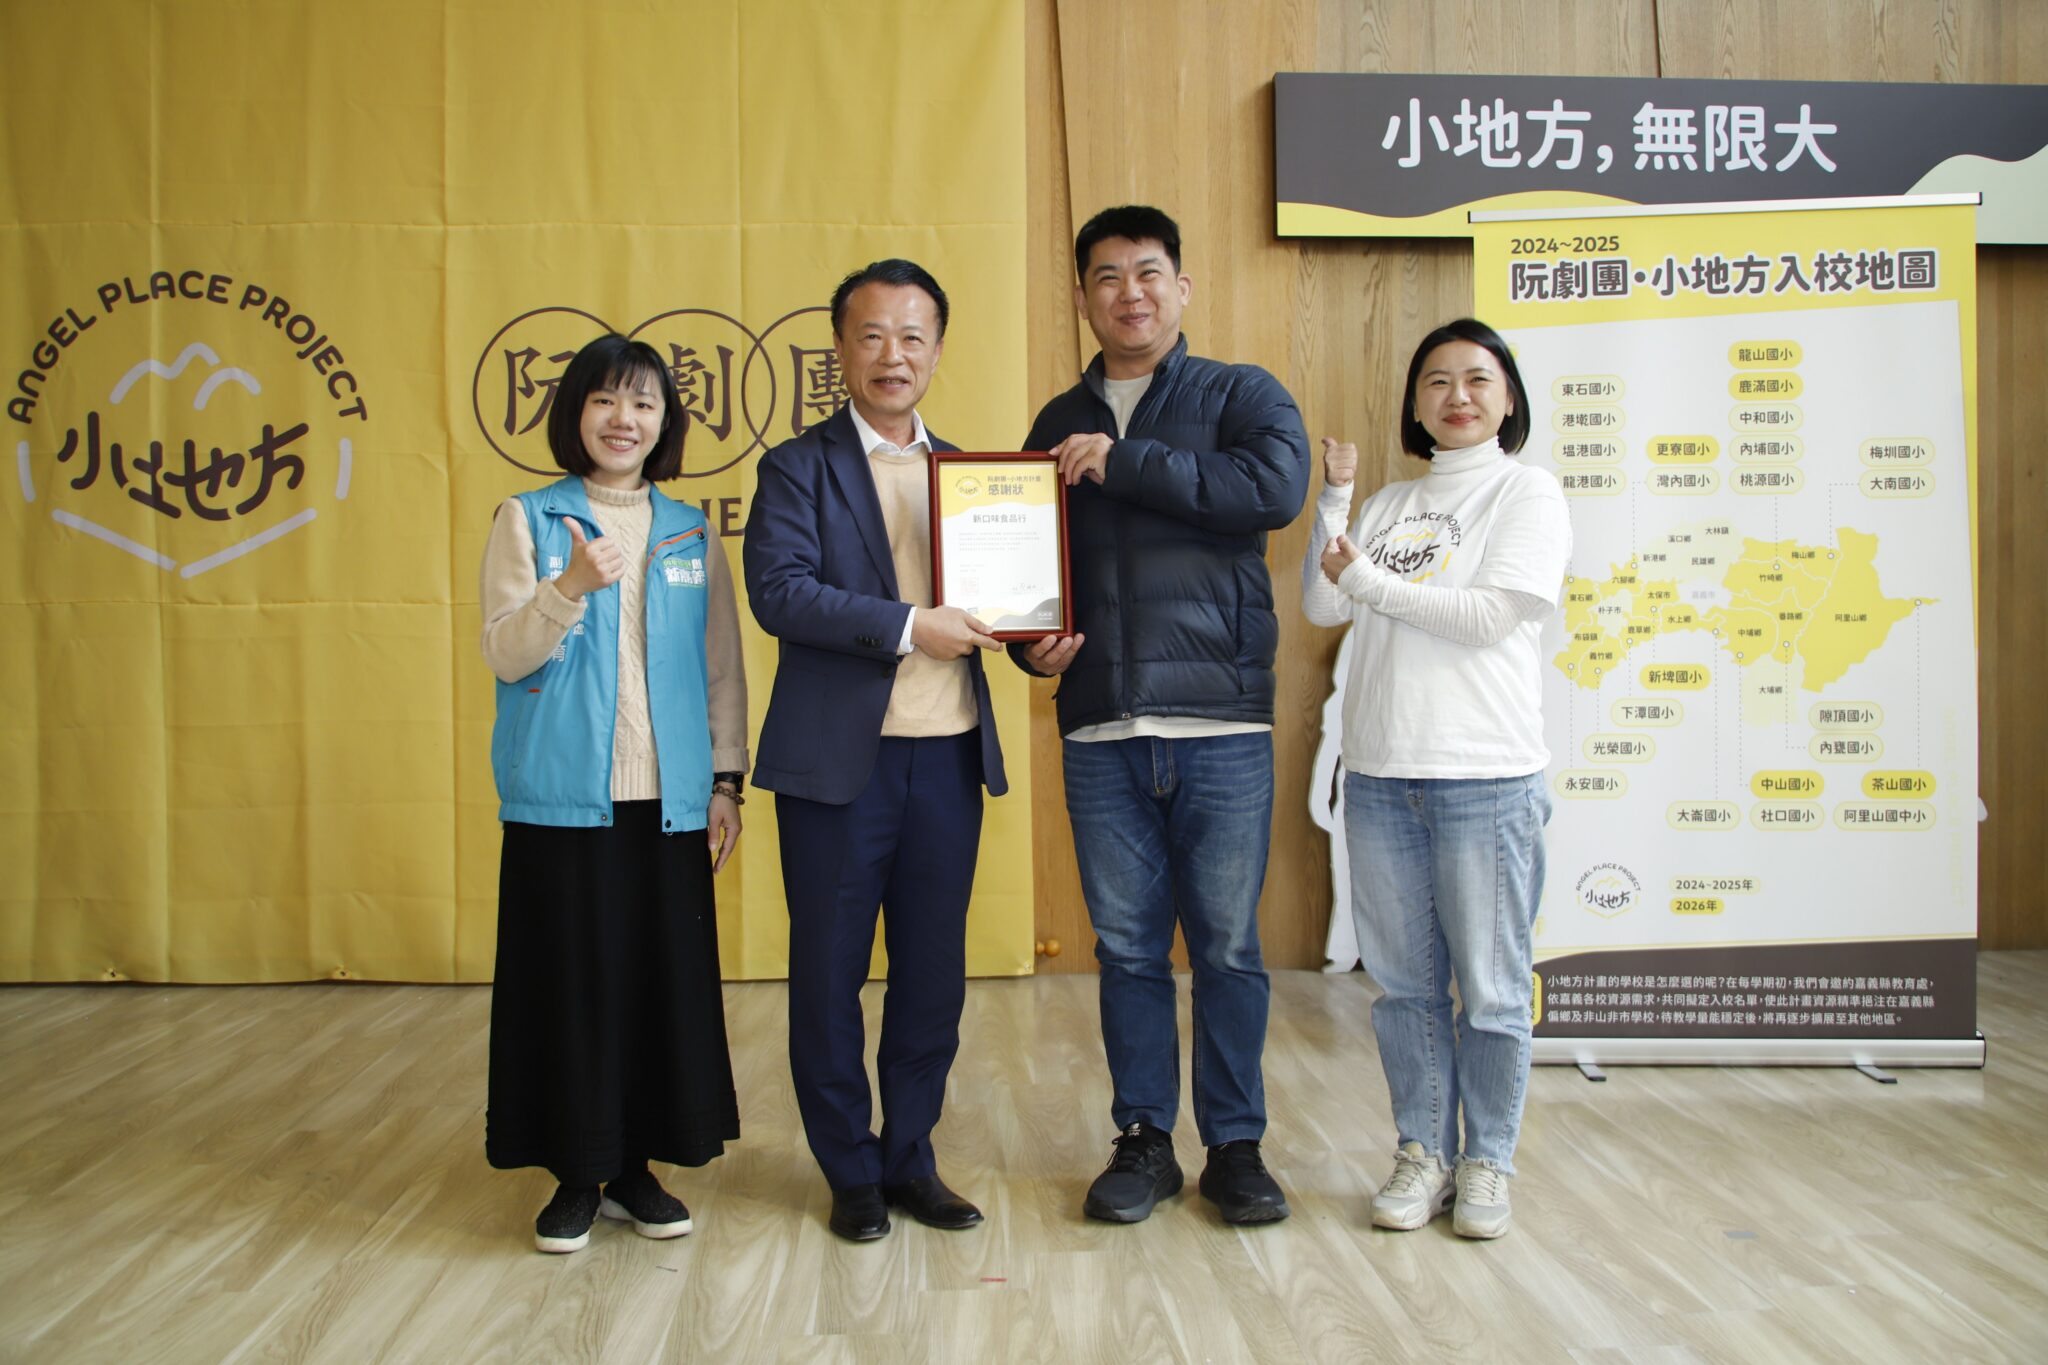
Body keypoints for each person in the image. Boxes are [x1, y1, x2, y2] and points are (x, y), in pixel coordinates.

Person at [1014, 205, 1310, 1225]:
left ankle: (1235, 1145)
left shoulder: (1241, 394)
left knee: (1225, 946)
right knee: (1128, 949)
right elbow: (1025, 563)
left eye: (1147, 273)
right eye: (1106, 277)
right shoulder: (1052, 422)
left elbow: (1272, 489)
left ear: (1181, 288)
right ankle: (1143, 1138)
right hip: (1100, 726)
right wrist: (1025, 646)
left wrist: (1123, 459)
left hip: (1219, 722)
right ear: (1082, 297)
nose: (1128, 293)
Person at [743, 259, 1006, 1243]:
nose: (893, 355)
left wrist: (1042, 636)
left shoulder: (975, 477)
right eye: (872, 335)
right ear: (840, 349)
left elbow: (1002, 605)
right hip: (836, 768)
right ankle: (848, 1169)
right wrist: (907, 627)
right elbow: (781, 592)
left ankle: (911, 1158)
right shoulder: (795, 467)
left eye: (912, 336)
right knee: (827, 976)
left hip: (948, 755)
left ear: (937, 349)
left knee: (933, 975)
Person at [1301, 317, 1571, 1240]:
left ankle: (1488, 1158)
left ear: (1507, 397)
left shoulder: (1527, 492)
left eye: (1477, 379)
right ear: (1414, 404)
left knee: (1492, 990)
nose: (1457, 396)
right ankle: (1424, 1150)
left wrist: (1370, 581)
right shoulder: (1390, 505)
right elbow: (1323, 601)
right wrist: (1337, 500)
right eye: (1437, 381)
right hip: (1382, 776)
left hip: (1484, 776)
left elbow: (1490, 615)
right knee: (1405, 990)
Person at [479, 333, 748, 1254]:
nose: (623, 419)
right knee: (571, 988)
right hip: (562, 801)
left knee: (655, 987)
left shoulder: (689, 530)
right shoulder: (529, 518)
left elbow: (720, 667)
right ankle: (574, 1173)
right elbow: (504, 652)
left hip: (669, 802)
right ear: (575, 414)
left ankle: (636, 1168)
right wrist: (568, 586)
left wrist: (725, 780)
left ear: (665, 421)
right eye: (604, 399)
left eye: (642, 403)